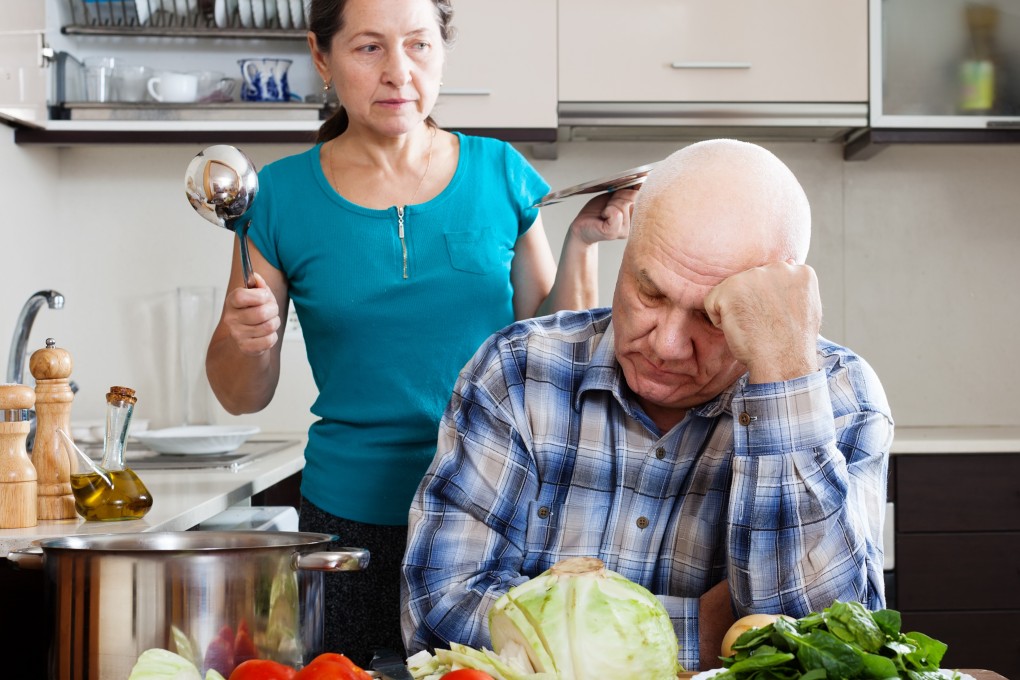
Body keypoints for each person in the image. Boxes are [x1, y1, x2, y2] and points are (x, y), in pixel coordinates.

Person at [204, 0, 634, 667]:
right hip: (347, 523)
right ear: (322, 57)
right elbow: (241, 394)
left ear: (442, 52)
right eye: (369, 48)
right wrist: (245, 336)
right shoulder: (276, 197)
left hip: (494, 508)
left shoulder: (501, 173)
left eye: (418, 46)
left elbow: (549, 349)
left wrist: (583, 242)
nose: (398, 72)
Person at [400, 139, 894, 671]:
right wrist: (707, 632)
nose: (666, 345)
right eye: (650, 294)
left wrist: (784, 378)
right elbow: (439, 610)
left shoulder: (840, 396)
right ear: (627, 254)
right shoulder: (517, 371)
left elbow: (825, 654)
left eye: (711, 316)